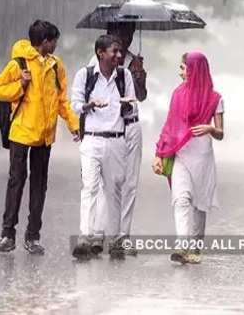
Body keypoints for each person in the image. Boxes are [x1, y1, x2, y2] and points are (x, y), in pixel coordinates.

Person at [0, 20, 80, 255]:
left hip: (44, 136)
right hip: (20, 133)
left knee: (39, 185)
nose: (56, 45)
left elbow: (62, 100)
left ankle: (33, 236)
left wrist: (74, 124)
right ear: (44, 42)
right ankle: (7, 234)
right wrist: (20, 83)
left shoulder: (55, 66)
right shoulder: (18, 63)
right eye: (54, 41)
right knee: (16, 182)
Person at [152, 52, 224, 265]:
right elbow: (169, 125)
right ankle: (183, 246)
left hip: (202, 156)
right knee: (181, 199)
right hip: (180, 153)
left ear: (196, 70)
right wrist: (159, 152)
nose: (180, 72)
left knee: (199, 204)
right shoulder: (177, 94)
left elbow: (221, 133)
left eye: (183, 68)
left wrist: (211, 127)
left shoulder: (215, 98)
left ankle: (196, 247)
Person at [71, 34, 137, 260]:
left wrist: (128, 106)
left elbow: (131, 110)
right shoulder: (85, 75)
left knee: (113, 190)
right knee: (89, 187)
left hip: (117, 140)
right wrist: (91, 104)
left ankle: (115, 240)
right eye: (114, 51)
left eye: (119, 52)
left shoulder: (124, 76)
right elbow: (76, 106)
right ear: (100, 53)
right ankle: (85, 238)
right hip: (91, 140)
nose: (119, 56)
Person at [87, 22, 146, 254]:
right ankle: (99, 233)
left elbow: (140, 97)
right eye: (121, 33)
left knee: (129, 183)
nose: (125, 39)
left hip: (130, 127)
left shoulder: (134, 61)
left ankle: (122, 236)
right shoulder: (95, 65)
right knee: (106, 183)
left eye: (130, 33)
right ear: (110, 34)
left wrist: (139, 76)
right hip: (108, 131)